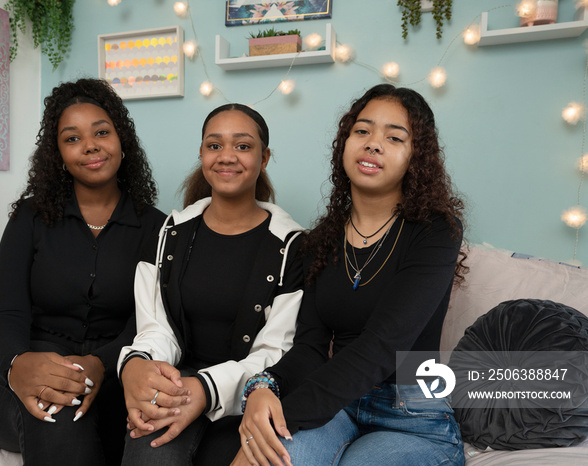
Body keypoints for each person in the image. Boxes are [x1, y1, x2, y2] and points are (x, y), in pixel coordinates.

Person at [233, 84, 467, 466]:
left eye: (394, 137)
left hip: (411, 412)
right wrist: (265, 386)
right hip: (338, 405)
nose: (374, 144)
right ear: (344, 143)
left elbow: (383, 345)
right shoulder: (320, 241)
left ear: (416, 157)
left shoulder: (436, 231)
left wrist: (282, 417)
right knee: (267, 458)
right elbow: (310, 347)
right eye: (362, 131)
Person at [0, 78, 165, 466]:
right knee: (59, 411)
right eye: (72, 138)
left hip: (113, 375)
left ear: (121, 141)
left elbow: (149, 321)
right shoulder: (30, 217)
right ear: (58, 155)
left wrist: (100, 363)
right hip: (24, 371)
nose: (91, 145)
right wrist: (17, 364)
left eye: (101, 132)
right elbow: (7, 314)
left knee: (92, 417)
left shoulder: (157, 228)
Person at [117, 103, 305, 465]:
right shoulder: (168, 234)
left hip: (248, 395)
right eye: (215, 145)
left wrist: (205, 388)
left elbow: (275, 352)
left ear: (264, 158)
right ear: (201, 154)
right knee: (148, 451)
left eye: (243, 146)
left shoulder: (291, 247)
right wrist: (140, 365)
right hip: (174, 387)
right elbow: (156, 327)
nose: (227, 157)